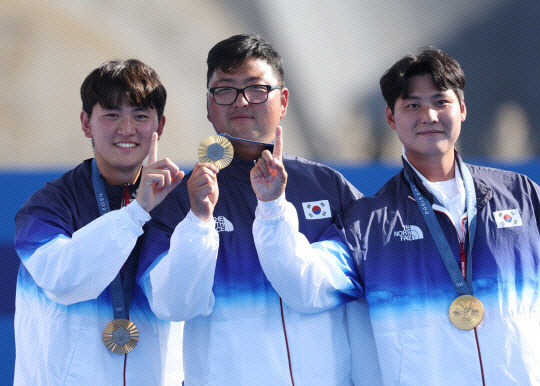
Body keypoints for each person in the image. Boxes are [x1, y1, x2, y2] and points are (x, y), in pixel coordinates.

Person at [252, 47, 540, 385]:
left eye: (440, 102)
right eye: (413, 105)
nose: (429, 116)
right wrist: (272, 207)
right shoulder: (369, 224)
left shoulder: (520, 196)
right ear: (391, 117)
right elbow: (304, 286)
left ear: (462, 109)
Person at [138, 34, 381, 385]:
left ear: (282, 101)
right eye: (225, 91)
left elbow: (368, 284)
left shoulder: (327, 187)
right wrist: (197, 220)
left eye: (256, 89)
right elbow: (172, 305)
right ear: (209, 106)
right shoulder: (179, 199)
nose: (240, 102)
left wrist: (272, 206)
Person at [14, 59, 184, 386]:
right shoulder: (48, 206)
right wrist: (136, 213)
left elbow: (184, 298)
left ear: (159, 126)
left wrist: (201, 223)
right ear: (85, 123)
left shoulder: (180, 206)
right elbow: (63, 280)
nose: (127, 129)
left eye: (140, 115)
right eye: (111, 115)